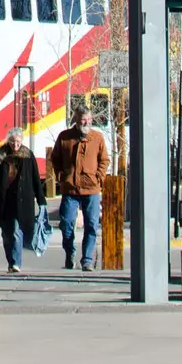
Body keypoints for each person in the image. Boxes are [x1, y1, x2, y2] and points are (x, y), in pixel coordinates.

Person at [48, 108, 111, 272]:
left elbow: (104, 160)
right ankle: (70, 253)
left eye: (89, 119)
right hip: (70, 189)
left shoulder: (97, 138)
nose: (87, 122)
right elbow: (55, 159)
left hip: (91, 189)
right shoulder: (65, 137)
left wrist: (99, 176)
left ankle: (87, 260)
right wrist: (61, 174)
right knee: (67, 223)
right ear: (76, 119)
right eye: (83, 119)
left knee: (91, 225)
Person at [0, 127, 43, 273]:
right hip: (3, 201)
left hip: (21, 200)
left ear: (21, 141)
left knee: (16, 230)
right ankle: (11, 261)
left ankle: (16, 262)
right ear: (8, 141)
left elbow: (35, 178)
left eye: (18, 141)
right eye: (12, 141)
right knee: (6, 233)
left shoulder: (27, 155)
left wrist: (41, 199)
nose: (15, 144)